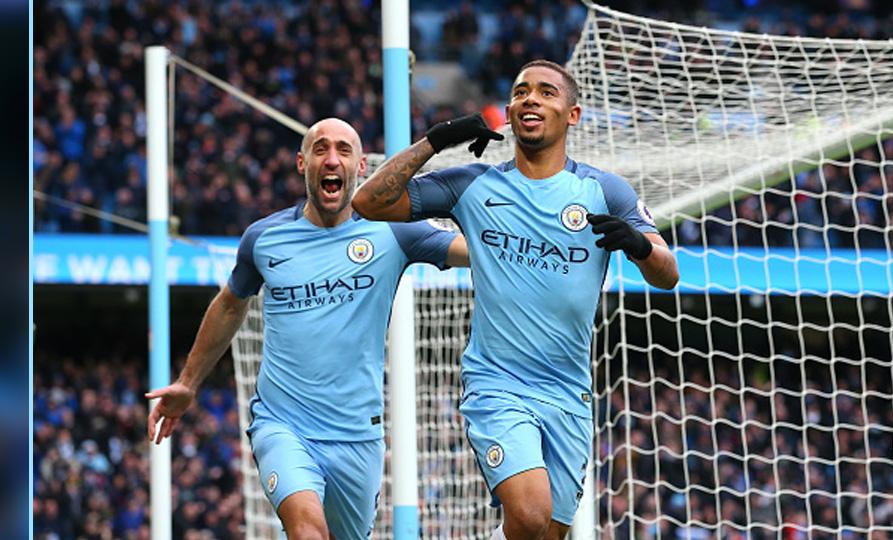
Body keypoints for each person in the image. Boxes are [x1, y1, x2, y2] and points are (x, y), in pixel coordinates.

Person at [352, 60, 679, 540]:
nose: (531, 99)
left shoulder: (604, 190)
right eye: (521, 91)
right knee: (527, 514)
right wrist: (436, 141)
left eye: (546, 92)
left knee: (546, 531)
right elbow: (369, 203)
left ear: (573, 114)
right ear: (508, 110)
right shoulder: (473, 185)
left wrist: (638, 244)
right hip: (498, 384)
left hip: (568, 393)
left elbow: (666, 275)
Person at [145, 118, 469, 540]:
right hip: (283, 424)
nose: (331, 158)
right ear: (302, 163)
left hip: (357, 435)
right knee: (307, 531)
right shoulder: (265, 238)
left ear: (361, 167)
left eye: (343, 150)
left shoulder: (394, 230)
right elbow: (230, 304)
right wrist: (188, 383)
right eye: (320, 149)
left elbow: (474, 251)